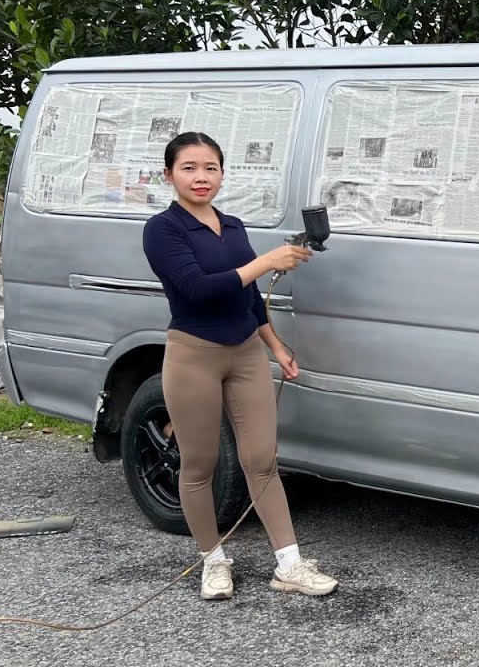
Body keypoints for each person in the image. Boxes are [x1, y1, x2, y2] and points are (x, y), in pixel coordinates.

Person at [142, 131, 340, 599]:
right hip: (193, 354)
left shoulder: (232, 227)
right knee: (199, 464)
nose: (201, 177)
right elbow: (198, 289)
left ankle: (289, 565)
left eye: (210, 168)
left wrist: (275, 345)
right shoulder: (163, 229)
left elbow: (248, 296)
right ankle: (213, 561)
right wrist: (267, 260)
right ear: (169, 175)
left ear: (222, 174)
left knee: (262, 460)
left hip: (246, 352)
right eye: (189, 168)